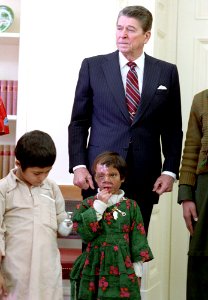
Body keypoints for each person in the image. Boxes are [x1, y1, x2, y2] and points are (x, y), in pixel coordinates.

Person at [68, 5, 183, 233]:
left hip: (144, 175)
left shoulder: (166, 72)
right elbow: (79, 122)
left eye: (130, 30)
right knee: (94, 248)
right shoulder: (93, 66)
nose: (122, 34)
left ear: (146, 35)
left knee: (135, 248)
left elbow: (172, 128)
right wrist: (79, 166)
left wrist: (169, 170)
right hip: (99, 174)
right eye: (119, 28)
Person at [70, 151, 153, 300]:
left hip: (123, 268)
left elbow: (138, 242)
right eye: (101, 176)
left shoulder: (131, 206)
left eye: (112, 175)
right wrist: (99, 206)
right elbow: (84, 234)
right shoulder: (87, 205)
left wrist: (138, 273)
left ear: (122, 177)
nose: (106, 180)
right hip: (93, 267)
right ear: (94, 178)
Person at [0, 130, 73, 300]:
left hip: (47, 267)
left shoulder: (51, 187)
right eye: (37, 173)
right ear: (18, 164)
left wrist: (65, 224)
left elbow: (61, 216)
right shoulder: (4, 189)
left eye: (47, 172)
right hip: (15, 268)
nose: (43, 177)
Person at [178, 89, 208, 300]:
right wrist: (186, 195)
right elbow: (191, 150)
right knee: (202, 260)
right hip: (205, 191)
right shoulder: (201, 100)